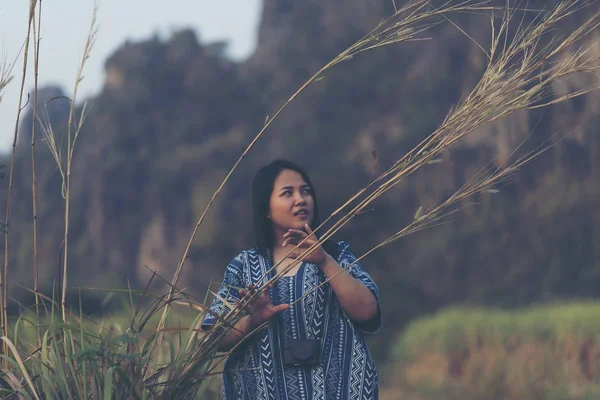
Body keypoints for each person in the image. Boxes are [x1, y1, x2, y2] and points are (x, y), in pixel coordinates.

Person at [201, 159, 382, 399]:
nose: (301, 199)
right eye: (288, 192)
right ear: (266, 208)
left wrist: (325, 262)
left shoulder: (336, 254)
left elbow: (368, 313)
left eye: (306, 191)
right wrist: (251, 320)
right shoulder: (244, 267)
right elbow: (212, 338)